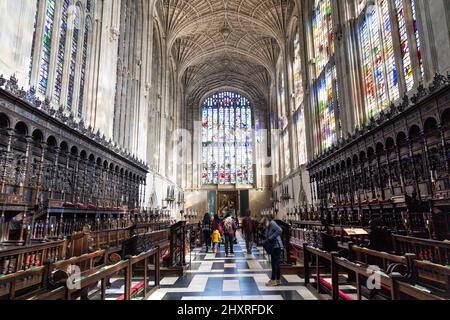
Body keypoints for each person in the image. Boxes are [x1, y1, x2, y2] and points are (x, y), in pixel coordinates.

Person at [265, 216, 284, 287]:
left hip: (277, 246)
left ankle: (273, 280)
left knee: (274, 263)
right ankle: (278, 279)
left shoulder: (272, 223)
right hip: (275, 247)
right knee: (276, 263)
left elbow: (280, 230)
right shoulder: (269, 226)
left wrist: (271, 237)